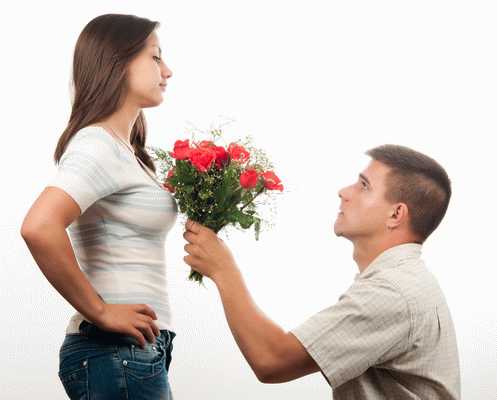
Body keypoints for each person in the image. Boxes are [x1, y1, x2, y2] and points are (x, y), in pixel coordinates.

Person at [183, 144, 461, 399]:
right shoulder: (404, 279)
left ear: (396, 214)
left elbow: (272, 360)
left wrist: (223, 269)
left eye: (364, 186)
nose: (344, 192)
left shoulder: (392, 292)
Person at [20, 14, 177, 399]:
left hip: (133, 351)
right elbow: (39, 226)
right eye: (156, 57)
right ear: (117, 62)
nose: (167, 71)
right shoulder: (98, 145)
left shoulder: (127, 152)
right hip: (115, 351)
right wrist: (102, 311)